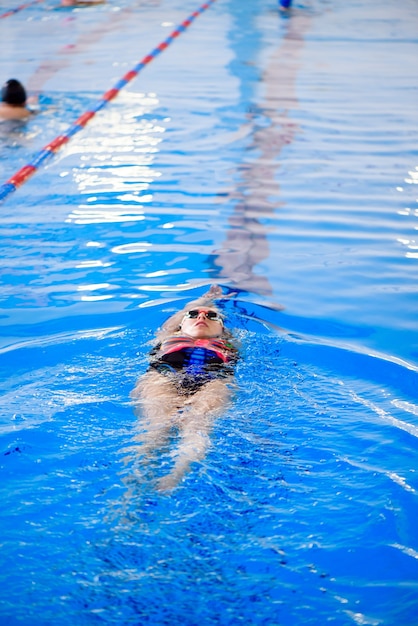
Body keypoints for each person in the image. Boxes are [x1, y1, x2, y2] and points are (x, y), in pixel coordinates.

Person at [131, 285, 238, 491]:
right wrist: (206, 298)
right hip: (163, 377)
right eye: (194, 315)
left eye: (211, 317)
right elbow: (183, 314)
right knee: (157, 428)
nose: (202, 317)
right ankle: (134, 486)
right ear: (180, 325)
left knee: (197, 425)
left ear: (222, 330)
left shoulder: (230, 343)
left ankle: (174, 478)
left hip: (214, 381)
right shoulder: (165, 336)